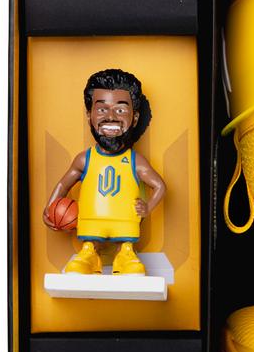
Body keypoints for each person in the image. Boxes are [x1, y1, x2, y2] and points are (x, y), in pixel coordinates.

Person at [44, 69, 166, 275]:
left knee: (128, 250)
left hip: (125, 224)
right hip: (90, 223)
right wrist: (50, 209)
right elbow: (63, 184)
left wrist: (147, 207)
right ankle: (89, 254)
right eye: (101, 109)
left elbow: (160, 186)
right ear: (89, 115)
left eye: (120, 110)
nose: (110, 116)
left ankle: (125, 254)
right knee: (88, 245)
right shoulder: (85, 159)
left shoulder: (135, 161)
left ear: (135, 118)